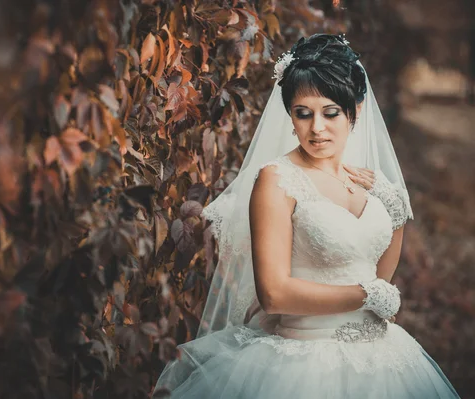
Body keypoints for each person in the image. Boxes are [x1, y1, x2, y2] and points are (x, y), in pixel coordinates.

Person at [153, 34, 460, 398]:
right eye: (303, 113)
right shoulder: (277, 179)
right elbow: (275, 294)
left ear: (355, 111)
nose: (317, 128)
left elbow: (378, 275)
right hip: (304, 362)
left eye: (330, 113)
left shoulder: (367, 182)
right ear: (290, 116)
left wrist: (394, 217)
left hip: (384, 358)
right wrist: (366, 296)